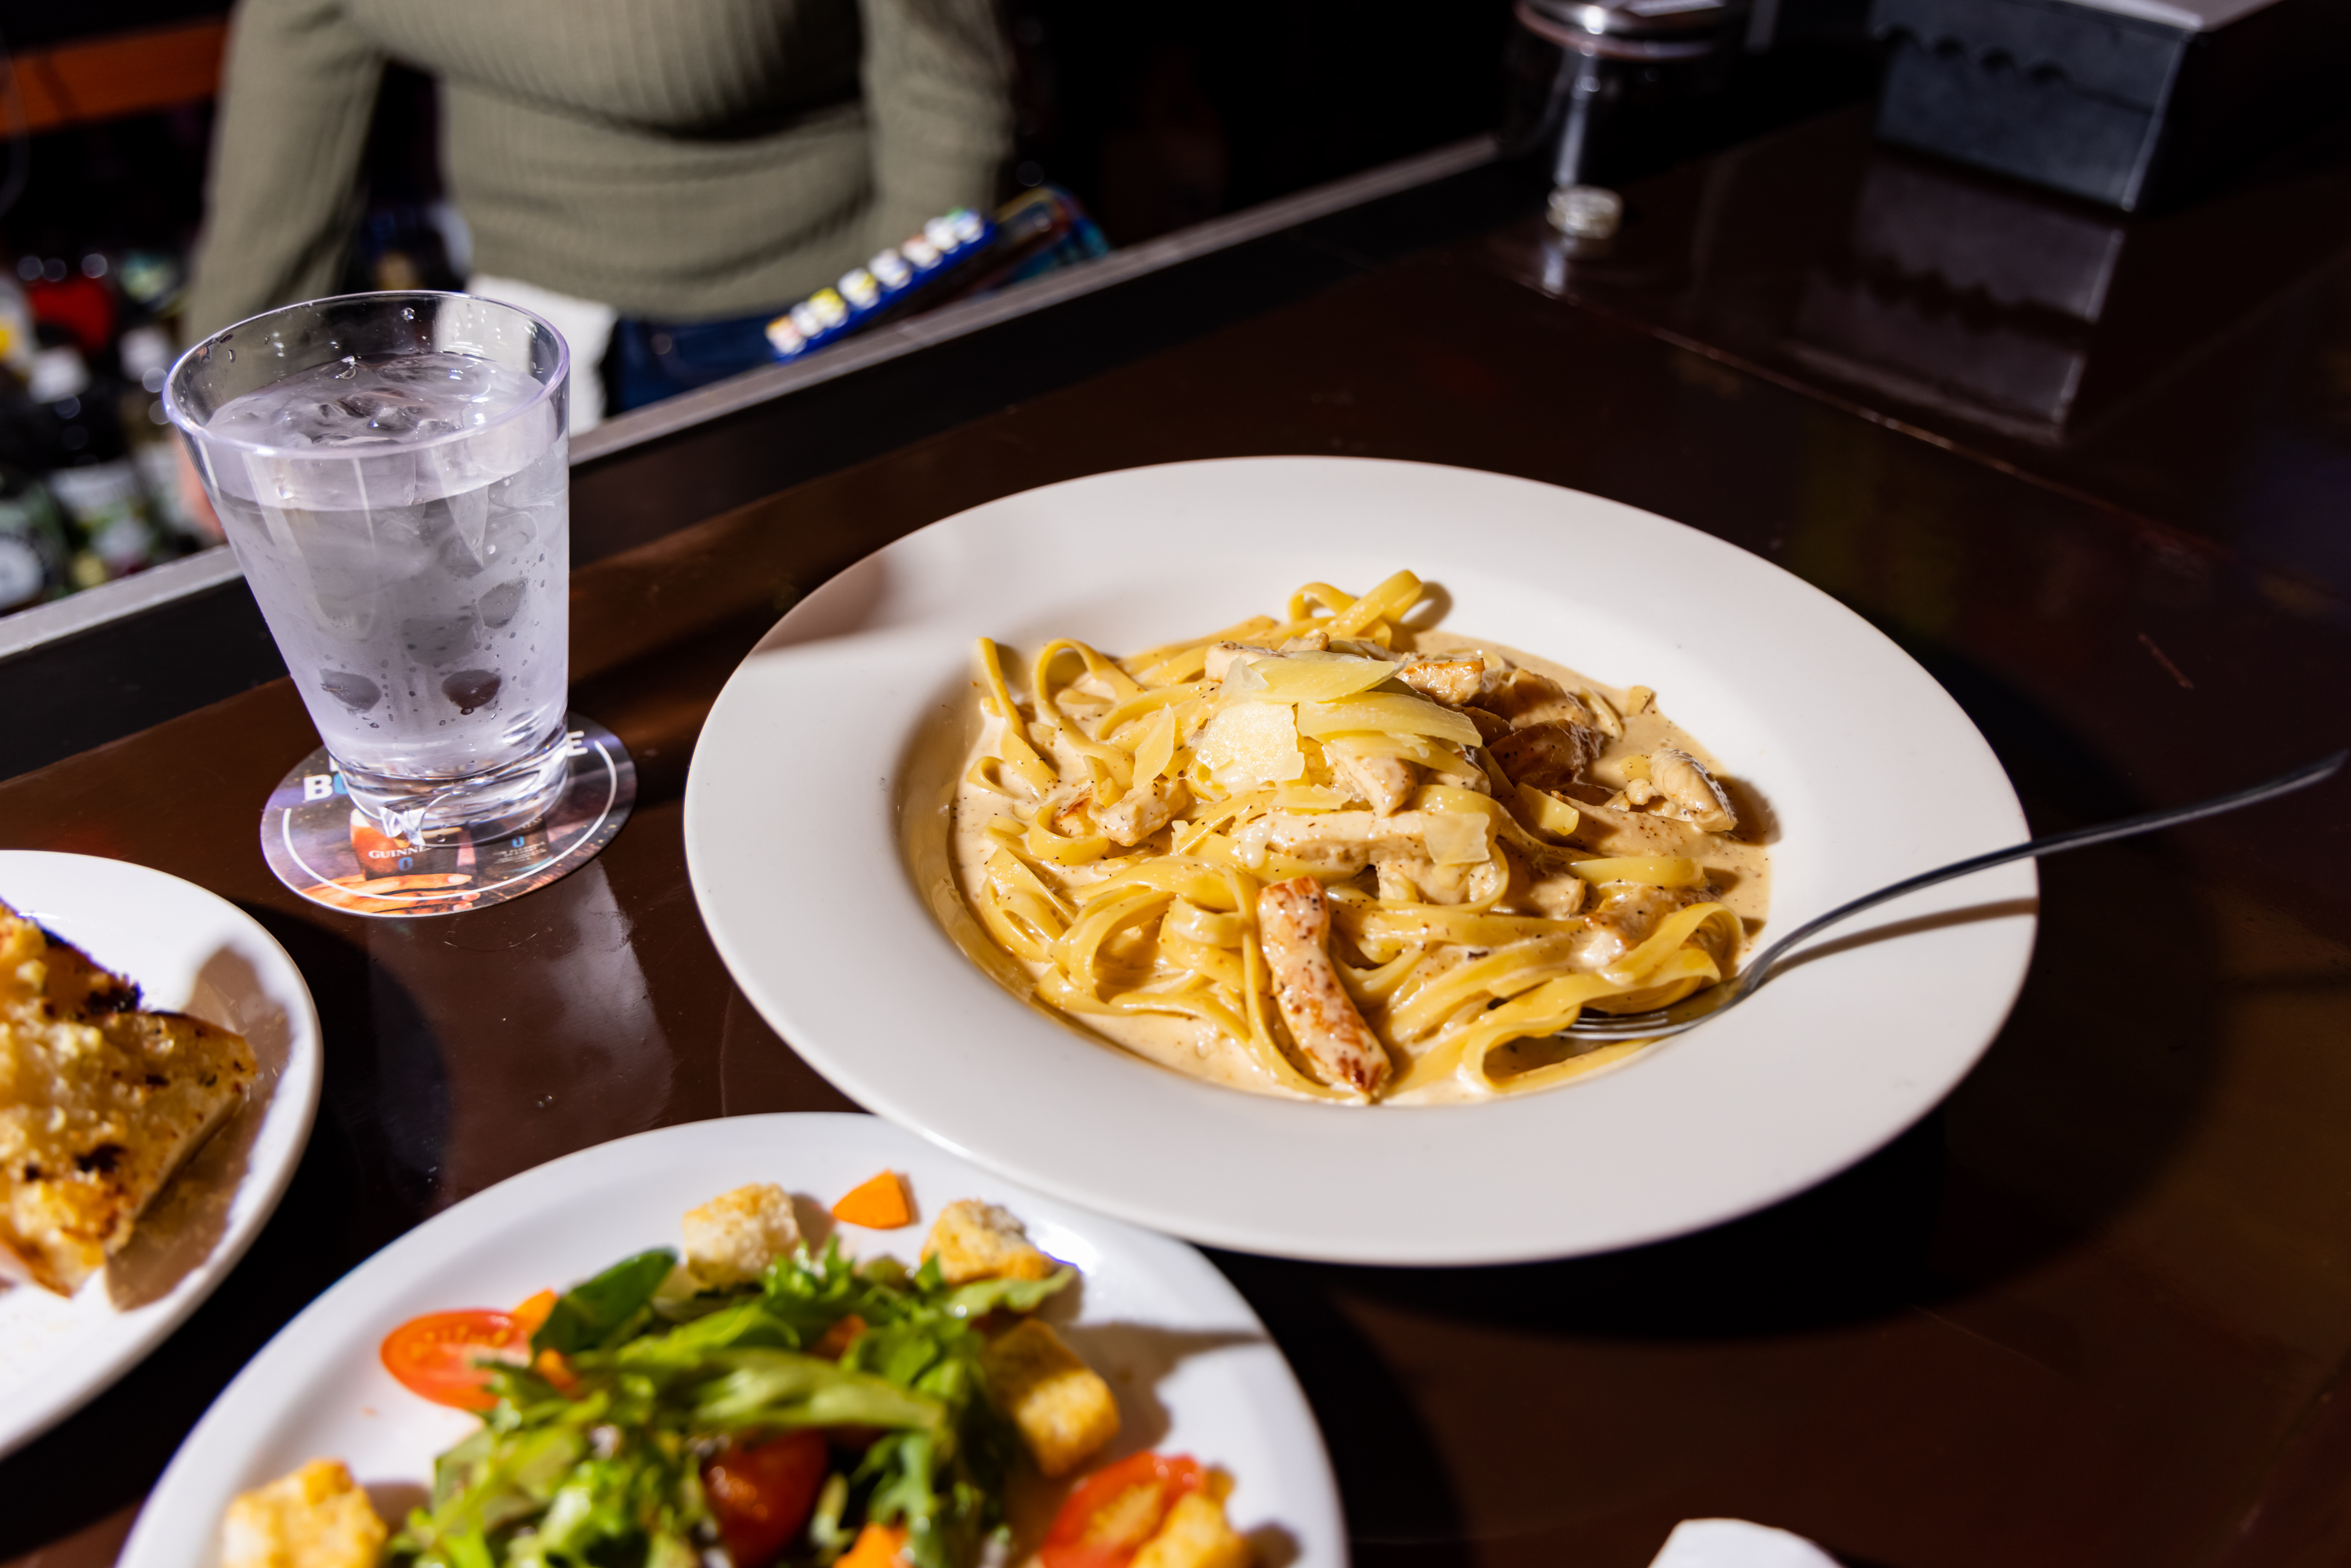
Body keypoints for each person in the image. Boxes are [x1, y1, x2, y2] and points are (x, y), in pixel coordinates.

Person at [183, 0, 1012, 429]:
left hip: (804, 325)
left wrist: (899, 347)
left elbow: (944, 90)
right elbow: (295, 58)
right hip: (516, 341)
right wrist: (231, 373)